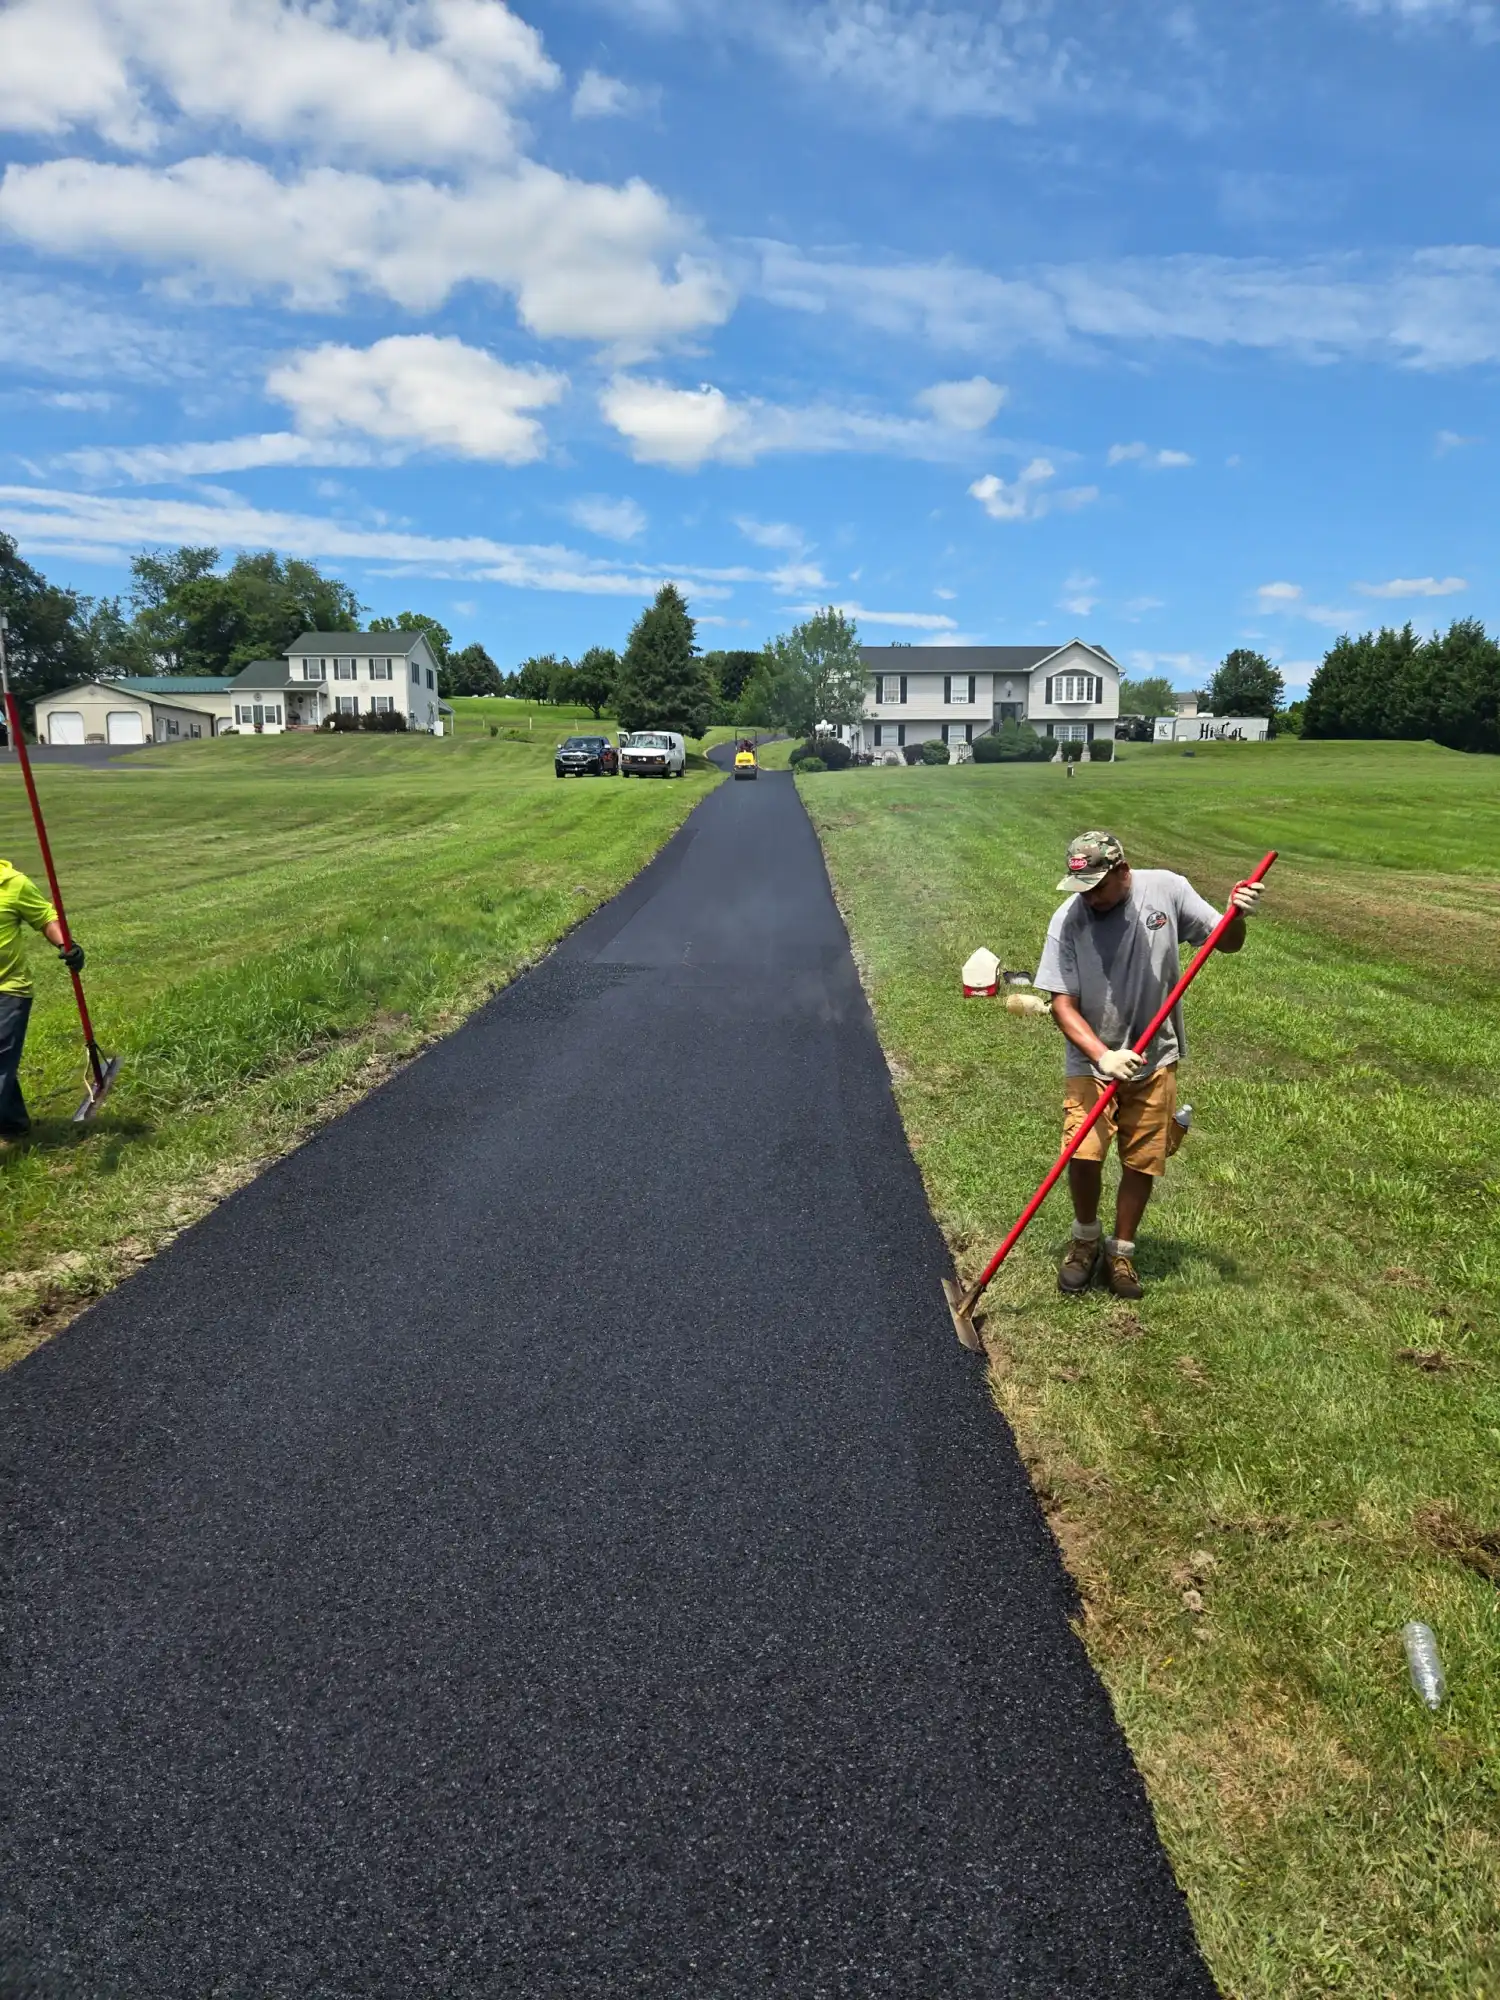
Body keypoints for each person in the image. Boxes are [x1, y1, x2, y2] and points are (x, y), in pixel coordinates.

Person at [1033, 830, 1261, 1300]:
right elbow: (1061, 1005)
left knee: (1143, 1159)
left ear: (1122, 870)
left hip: (1155, 1053)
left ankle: (1121, 1252)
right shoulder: (1069, 920)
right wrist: (1103, 1055)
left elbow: (1227, 943)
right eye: (1082, 888)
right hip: (1094, 1056)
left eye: (1098, 886)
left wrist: (1236, 914)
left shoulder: (1168, 890)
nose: (1090, 898)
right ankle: (1085, 1240)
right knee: (1082, 1150)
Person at [0, 858, 85, 1141]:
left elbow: (45, 917)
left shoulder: (13, 883)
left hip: (8, 991)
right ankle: (12, 1123)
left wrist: (66, 945)